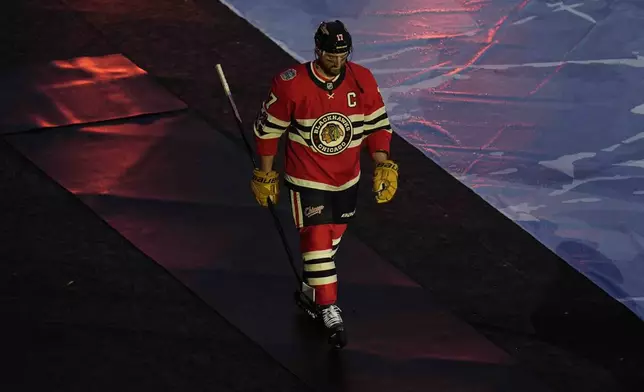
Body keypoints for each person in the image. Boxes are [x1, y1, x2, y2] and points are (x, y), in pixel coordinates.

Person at [250, 20, 399, 347]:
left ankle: (310, 292)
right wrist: (265, 172)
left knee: (328, 245)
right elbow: (268, 131)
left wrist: (382, 162)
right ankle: (329, 307)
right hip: (307, 178)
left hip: (348, 179)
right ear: (318, 51)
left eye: (343, 54)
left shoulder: (363, 79)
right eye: (331, 55)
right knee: (317, 242)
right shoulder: (290, 84)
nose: (337, 61)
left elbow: (378, 126)